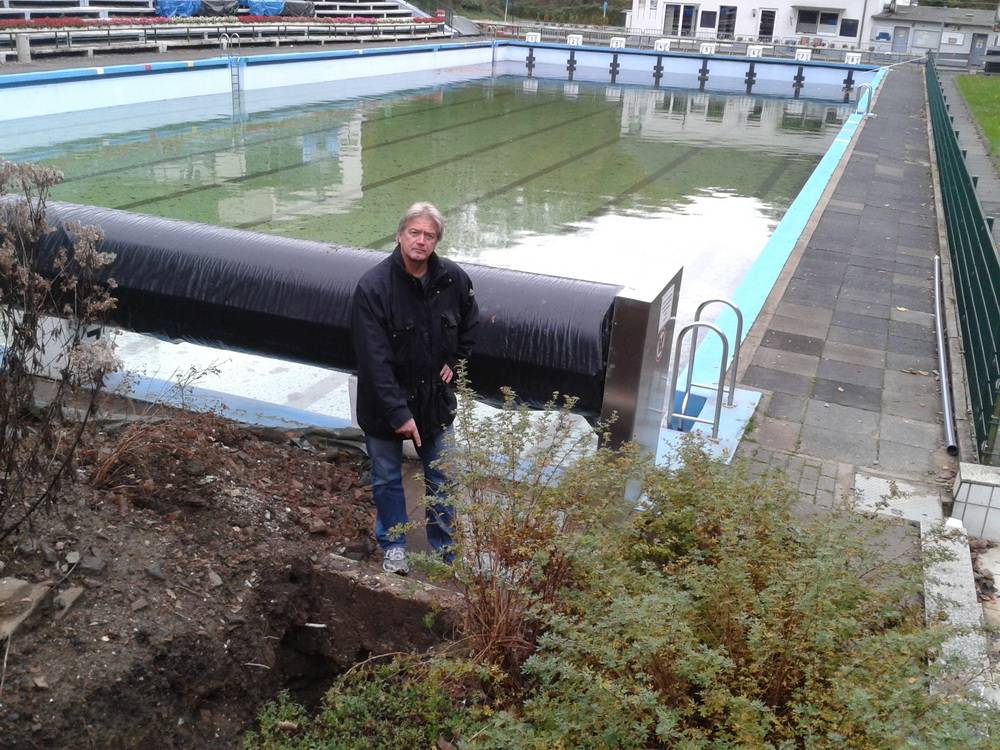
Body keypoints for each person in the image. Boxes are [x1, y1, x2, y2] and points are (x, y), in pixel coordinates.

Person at [351, 203, 479, 575]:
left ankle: (446, 549)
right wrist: (398, 414)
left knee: (443, 476)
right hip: (384, 406)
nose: (421, 241)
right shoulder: (373, 288)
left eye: (429, 235)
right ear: (400, 235)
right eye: (414, 233)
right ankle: (394, 545)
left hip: (434, 403)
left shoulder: (453, 279)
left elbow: (470, 324)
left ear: (437, 241)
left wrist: (453, 362)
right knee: (388, 478)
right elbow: (373, 362)